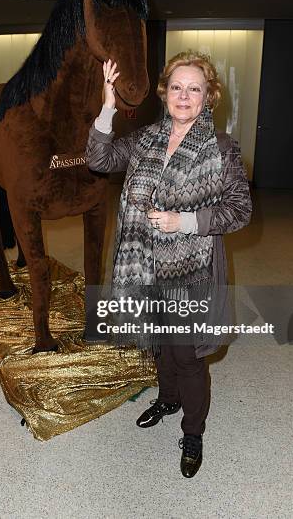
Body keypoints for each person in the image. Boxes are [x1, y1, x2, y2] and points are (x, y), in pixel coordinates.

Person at [86, 50, 252, 478]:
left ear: (208, 96)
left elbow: (239, 210)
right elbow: (99, 160)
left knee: (187, 354)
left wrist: (187, 221)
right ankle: (167, 397)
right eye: (177, 87)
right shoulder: (146, 138)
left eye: (194, 88)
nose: (184, 95)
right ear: (165, 93)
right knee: (159, 341)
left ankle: (193, 431)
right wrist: (107, 107)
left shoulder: (221, 148)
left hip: (191, 271)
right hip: (142, 263)